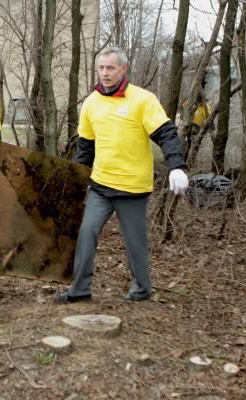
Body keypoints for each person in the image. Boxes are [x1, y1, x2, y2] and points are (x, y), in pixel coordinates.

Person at [53, 47, 189, 304]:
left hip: (133, 188)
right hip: (101, 185)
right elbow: (85, 148)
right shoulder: (91, 102)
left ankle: (142, 289)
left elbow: (166, 134)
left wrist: (177, 166)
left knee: (135, 243)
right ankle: (79, 290)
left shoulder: (142, 100)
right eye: (101, 68)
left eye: (110, 68)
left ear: (123, 69)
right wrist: (76, 182)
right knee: (86, 233)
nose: (105, 73)